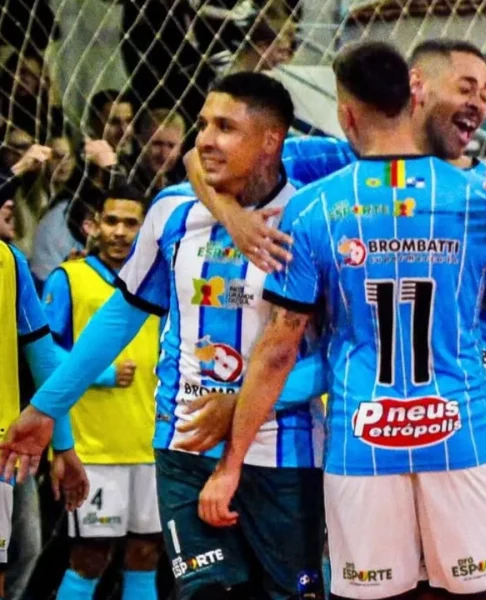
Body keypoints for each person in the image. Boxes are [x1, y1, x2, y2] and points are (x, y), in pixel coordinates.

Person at [196, 40, 486, 600]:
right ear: (413, 99)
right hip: (462, 437)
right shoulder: (481, 199)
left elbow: (278, 349)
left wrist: (231, 463)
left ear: (346, 116)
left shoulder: (313, 206)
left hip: (361, 445)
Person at [0, 72, 329, 599]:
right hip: (184, 444)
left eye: (225, 127)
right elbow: (120, 317)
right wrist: (44, 409)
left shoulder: (316, 212)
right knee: (207, 593)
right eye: (203, 124)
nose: (205, 141)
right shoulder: (171, 210)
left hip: (284, 453)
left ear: (271, 140)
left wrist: (245, 404)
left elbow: (338, 350)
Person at [42, 184, 162, 600]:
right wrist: (102, 373)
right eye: (111, 221)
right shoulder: (70, 278)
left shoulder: (160, 280)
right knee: (90, 556)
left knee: (146, 553)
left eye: (131, 223)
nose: (120, 232)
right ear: (92, 225)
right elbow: (42, 353)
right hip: (93, 448)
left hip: (151, 443)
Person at [0, 238, 89, 599]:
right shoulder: (8, 259)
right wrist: (63, 445)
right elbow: (44, 358)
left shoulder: (9, 261)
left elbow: (44, 357)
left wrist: (62, 445)